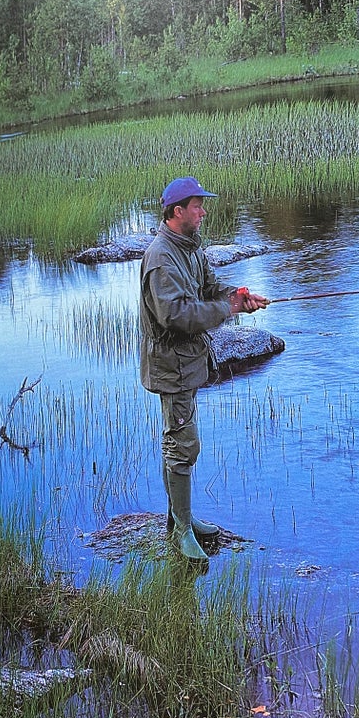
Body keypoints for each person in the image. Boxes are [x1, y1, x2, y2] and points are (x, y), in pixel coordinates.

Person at [139, 176, 269, 560]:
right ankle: (180, 532)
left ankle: (181, 518)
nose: (204, 210)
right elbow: (175, 315)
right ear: (178, 212)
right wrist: (225, 310)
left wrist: (238, 297)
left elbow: (210, 287)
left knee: (177, 442)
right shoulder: (162, 258)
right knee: (183, 445)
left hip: (187, 363)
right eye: (197, 205)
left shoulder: (190, 248)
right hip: (171, 365)